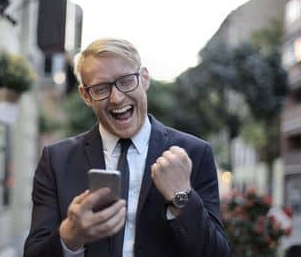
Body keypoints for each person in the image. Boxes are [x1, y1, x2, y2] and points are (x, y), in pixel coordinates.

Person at [24, 38, 231, 257]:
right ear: (86, 95)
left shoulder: (195, 154)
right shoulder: (56, 160)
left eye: (125, 81)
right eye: (101, 88)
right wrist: (70, 235)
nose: (116, 97)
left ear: (144, 79)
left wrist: (181, 197)